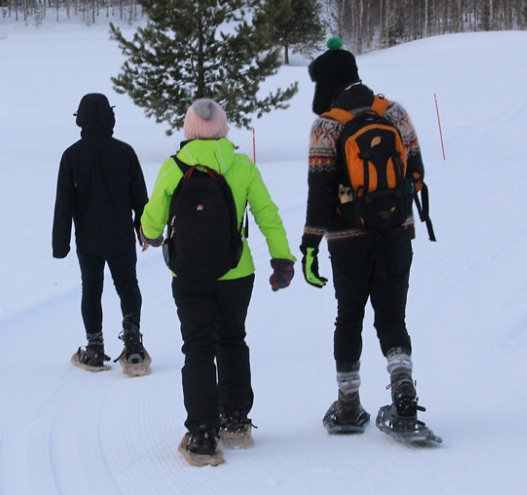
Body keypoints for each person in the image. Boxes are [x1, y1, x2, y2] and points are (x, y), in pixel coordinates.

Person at [140, 98, 295, 464]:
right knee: (232, 340)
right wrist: (282, 259)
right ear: (223, 129)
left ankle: (203, 434)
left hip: (189, 274)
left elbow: (151, 223)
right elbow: (267, 215)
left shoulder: (174, 168)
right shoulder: (242, 167)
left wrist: (152, 235)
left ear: (188, 131)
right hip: (236, 273)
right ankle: (237, 422)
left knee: (197, 348)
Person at [301, 37, 429, 433]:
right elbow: (417, 173)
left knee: (349, 316)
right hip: (396, 232)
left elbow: (320, 194)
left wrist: (309, 247)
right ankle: (402, 385)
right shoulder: (394, 112)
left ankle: (347, 405)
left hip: (346, 240)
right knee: (392, 316)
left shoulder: (326, 127)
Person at [53, 92, 150, 370]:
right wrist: (144, 231)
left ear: (80, 120)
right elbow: (140, 199)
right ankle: (133, 341)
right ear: (111, 118)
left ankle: (95, 348)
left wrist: (61, 245)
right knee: (128, 286)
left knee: (91, 290)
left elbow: (64, 205)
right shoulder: (125, 152)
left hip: (88, 239)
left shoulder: (71, 156)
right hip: (120, 237)